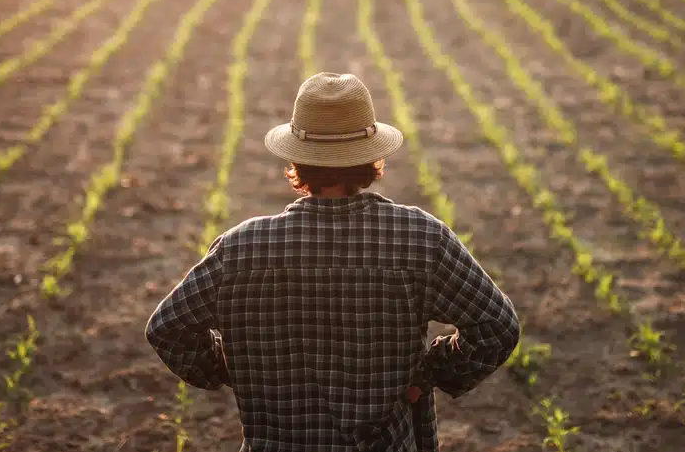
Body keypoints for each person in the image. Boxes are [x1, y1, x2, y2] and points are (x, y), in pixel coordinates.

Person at [145, 72, 520, 451]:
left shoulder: (241, 248)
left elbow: (168, 327)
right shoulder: (421, 239)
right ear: (373, 157)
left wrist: (228, 367)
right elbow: (497, 327)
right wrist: (431, 372)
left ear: (297, 159)